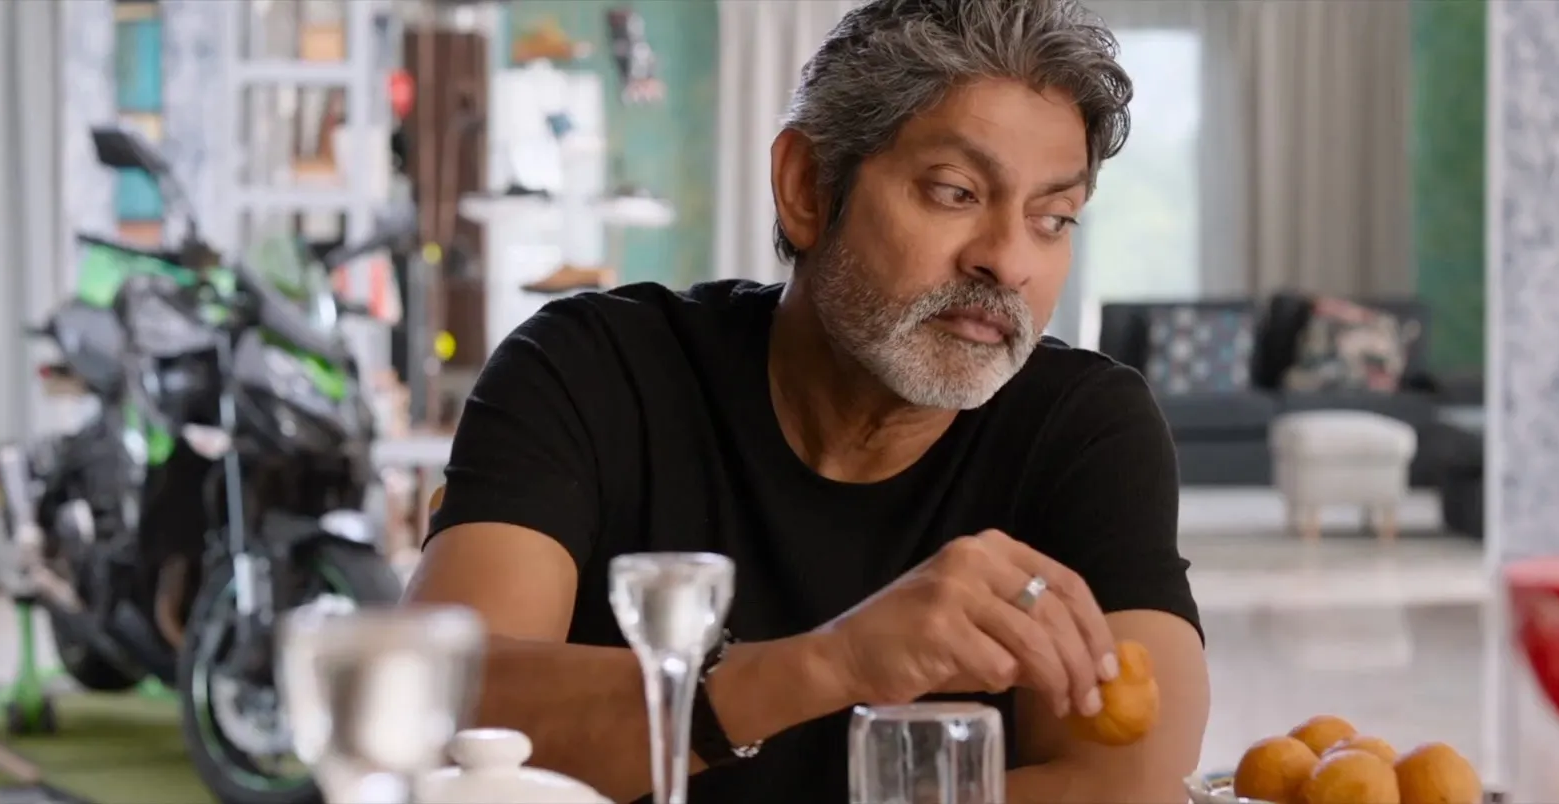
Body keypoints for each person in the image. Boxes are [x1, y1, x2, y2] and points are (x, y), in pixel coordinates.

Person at [406, 0, 1210, 801]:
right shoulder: (588, 370)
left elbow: (1132, 782)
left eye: (1053, 219)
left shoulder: (1084, 428)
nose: (1009, 261)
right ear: (806, 187)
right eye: (955, 192)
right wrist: (832, 663)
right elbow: (440, 714)